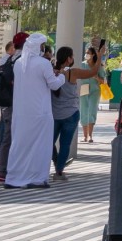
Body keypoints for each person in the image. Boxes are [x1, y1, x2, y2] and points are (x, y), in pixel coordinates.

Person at [5, 34, 70, 189]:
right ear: (38, 47)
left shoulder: (19, 63)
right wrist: (62, 76)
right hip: (40, 113)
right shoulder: (43, 64)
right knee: (41, 145)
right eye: (42, 46)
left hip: (21, 113)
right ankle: (37, 178)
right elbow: (54, 85)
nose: (44, 49)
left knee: (20, 145)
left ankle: (14, 177)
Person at [47, 44, 101, 180]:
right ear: (69, 59)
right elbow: (93, 72)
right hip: (71, 113)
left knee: (48, 142)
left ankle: (56, 160)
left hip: (53, 114)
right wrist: (99, 57)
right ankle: (59, 171)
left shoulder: (51, 71)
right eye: (72, 56)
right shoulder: (72, 72)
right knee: (65, 144)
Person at [0, 30, 26, 184]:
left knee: (7, 136)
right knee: (14, 137)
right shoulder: (22, 60)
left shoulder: (7, 59)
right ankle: (8, 170)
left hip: (6, 103)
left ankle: (3, 171)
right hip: (17, 104)